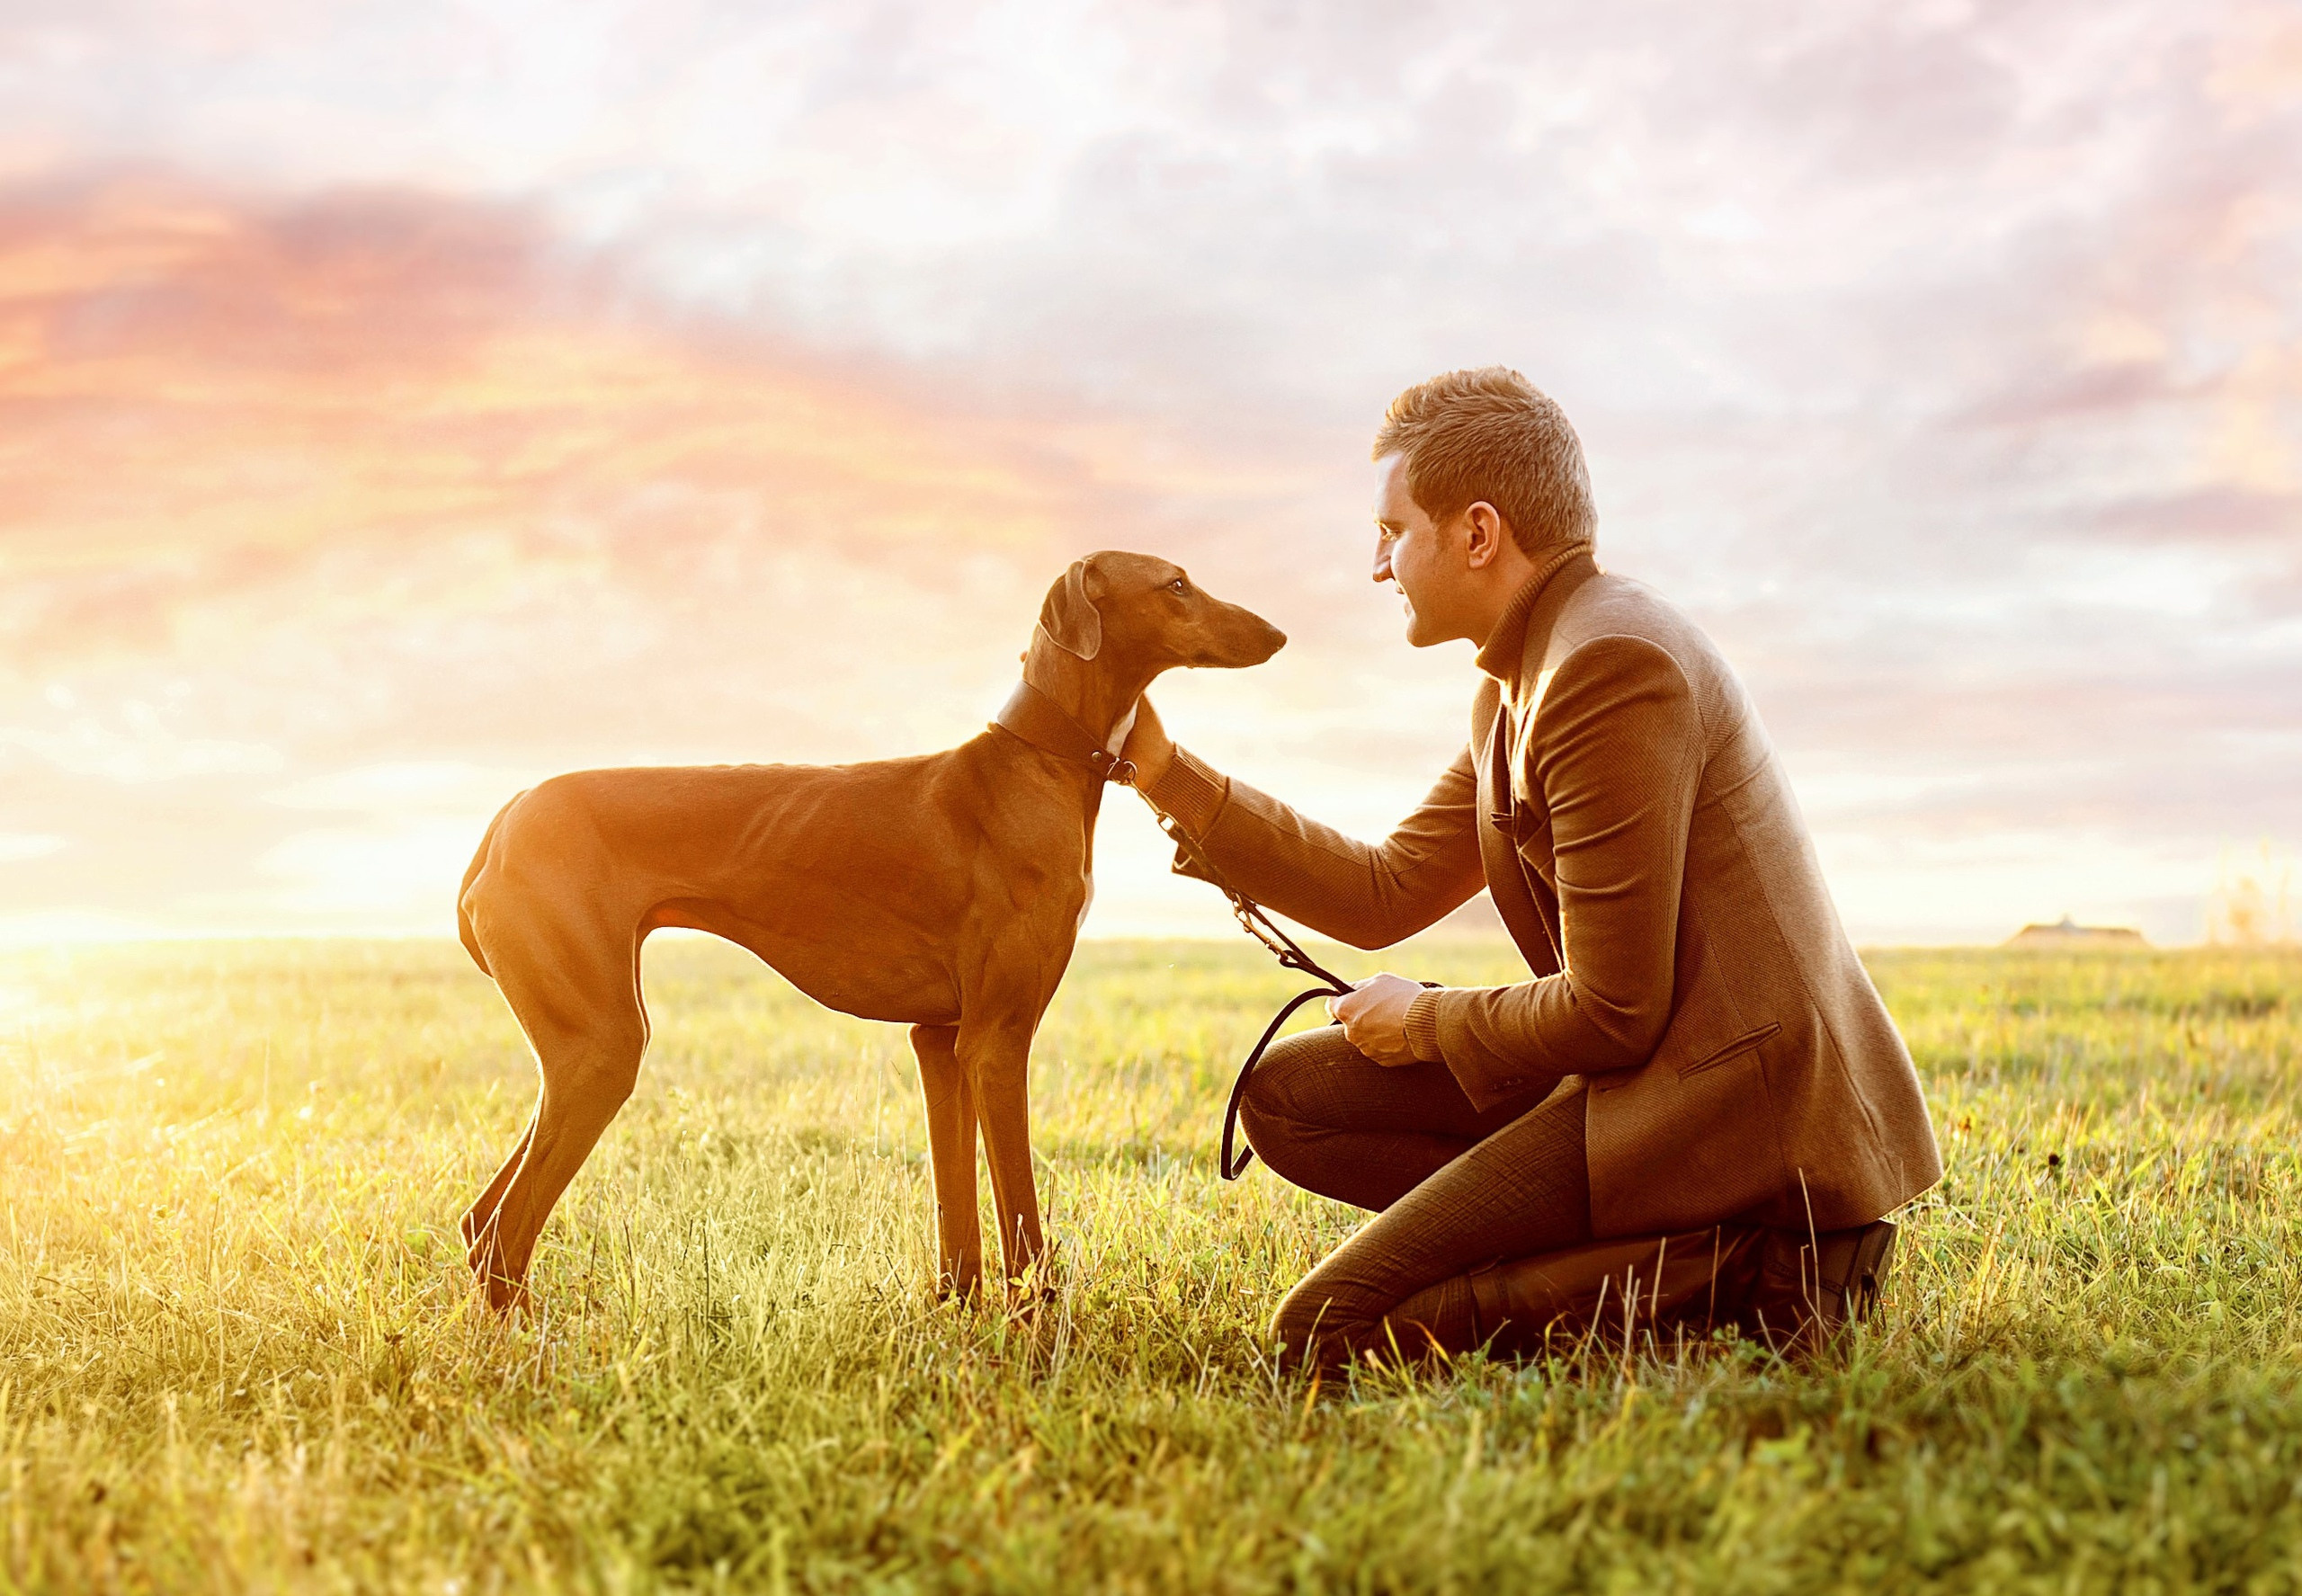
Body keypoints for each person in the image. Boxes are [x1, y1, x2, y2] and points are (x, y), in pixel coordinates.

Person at [1121, 367, 1942, 1373]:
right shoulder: (1524, 680)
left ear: (1477, 532)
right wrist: (1164, 773)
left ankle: (1744, 1264)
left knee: (1323, 1333)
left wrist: (1424, 1017)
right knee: (1290, 1096)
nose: (1377, 565)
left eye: (1391, 530)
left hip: (1729, 1116)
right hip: (1638, 1078)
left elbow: (1613, 1011)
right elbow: (1383, 889)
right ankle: (1615, 1254)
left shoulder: (1608, 668)